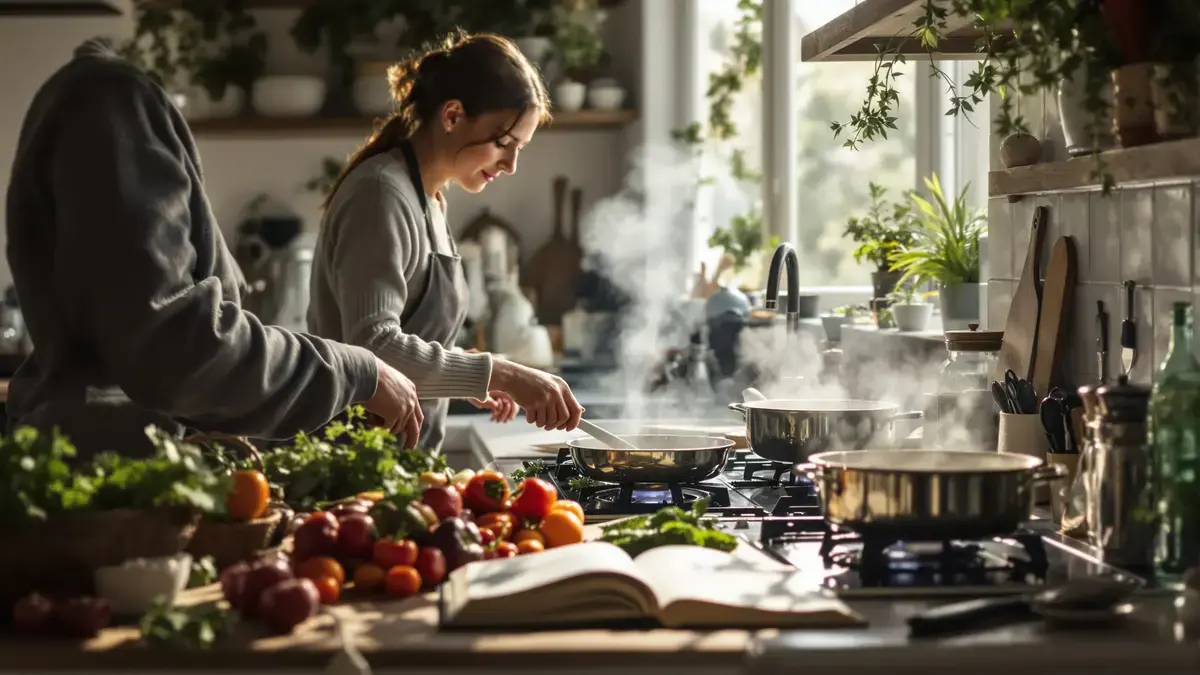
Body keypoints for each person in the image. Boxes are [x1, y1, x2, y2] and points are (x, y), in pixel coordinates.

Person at [3, 37, 424, 459]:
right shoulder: (112, 104)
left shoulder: (102, 100)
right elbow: (177, 351)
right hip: (117, 474)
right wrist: (355, 371)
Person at [307, 30, 583, 453]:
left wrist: (468, 374)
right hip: (352, 464)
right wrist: (501, 373)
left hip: (400, 463)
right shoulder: (381, 195)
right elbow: (373, 347)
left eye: (520, 148)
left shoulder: (430, 198)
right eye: (503, 142)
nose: (510, 164)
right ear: (452, 116)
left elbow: (408, 334)